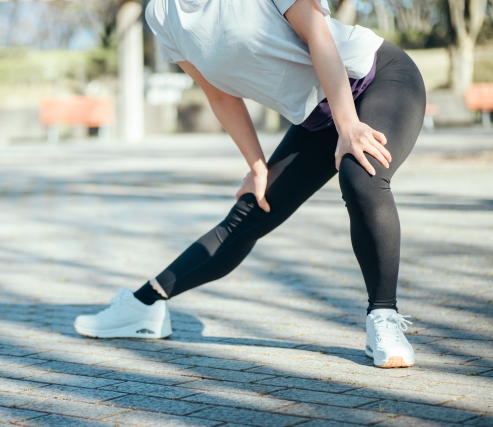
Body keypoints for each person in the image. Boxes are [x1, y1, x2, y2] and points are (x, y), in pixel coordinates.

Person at [74, 0, 425, 369]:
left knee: (361, 173)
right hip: (315, 118)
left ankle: (383, 317)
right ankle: (144, 305)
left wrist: (349, 125)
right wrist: (257, 166)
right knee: (252, 210)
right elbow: (220, 95)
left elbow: (318, 35)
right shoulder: (162, 13)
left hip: (380, 80)